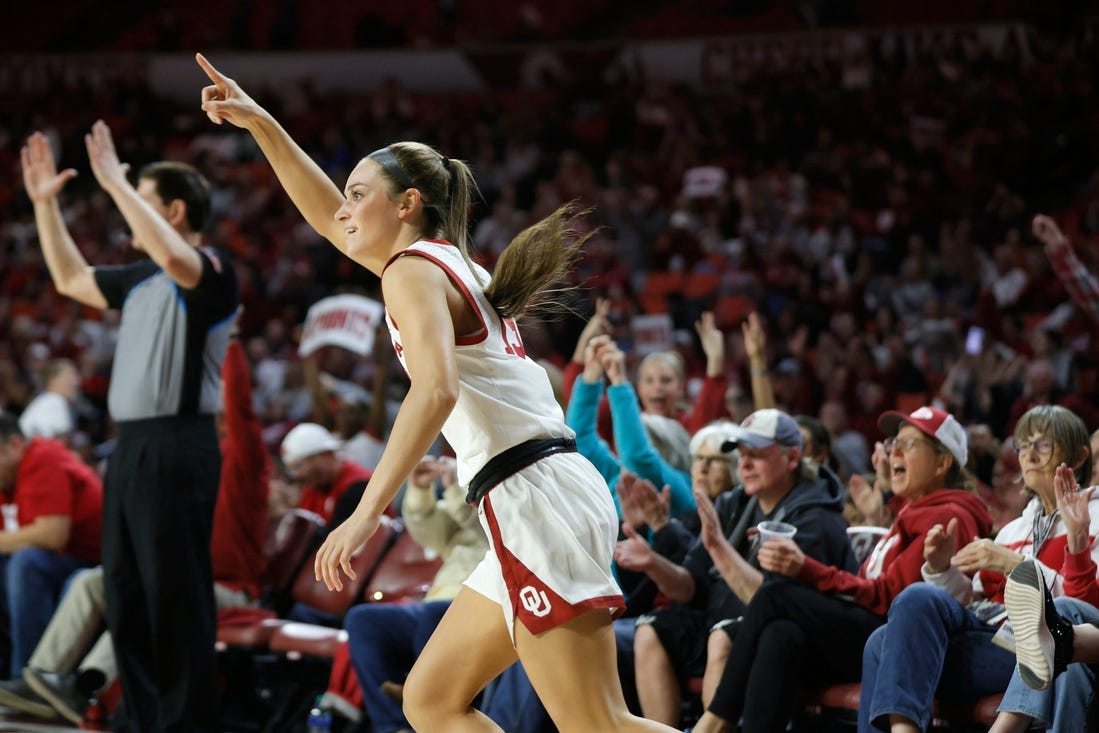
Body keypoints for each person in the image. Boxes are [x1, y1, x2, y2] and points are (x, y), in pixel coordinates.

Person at [197, 53, 678, 733]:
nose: (345, 205)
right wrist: (262, 124)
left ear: (407, 204)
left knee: (596, 725)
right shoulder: (444, 261)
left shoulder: (409, 272)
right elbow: (326, 217)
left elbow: (434, 390)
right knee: (430, 701)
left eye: (359, 192)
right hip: (537, 492)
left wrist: (366, 511)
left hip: (533, 497)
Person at [21, 122, 239, 731]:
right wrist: (45, 206)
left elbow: (175, 254)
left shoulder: (214, 269)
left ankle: (185, 724)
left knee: (173, 594)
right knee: (126, 593)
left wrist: (114, 178)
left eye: (138, 198)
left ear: (172, 209)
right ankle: (141, 722)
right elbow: (69, 279)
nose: (124, 209)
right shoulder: (141, 278)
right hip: (133, 446)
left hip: (178, 443)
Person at [0, 326, 270, 724]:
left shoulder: (243, 459)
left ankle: (85, 688)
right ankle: (42, 679)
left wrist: (227, 343)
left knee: (148, 596)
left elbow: (241, 409)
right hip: (185, 581)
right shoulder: (188, 465)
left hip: (231, 591)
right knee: (95, 581)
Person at [689, 406, 993, 733]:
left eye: (910, 444)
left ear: (943, 462)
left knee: (776, 594)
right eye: (894, 443)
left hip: (896, 642)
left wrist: (805, 568)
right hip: (872, 630)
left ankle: (716, 719)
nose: (895, 452)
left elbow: (889, 598)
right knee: (781, 636)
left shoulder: (947, 517)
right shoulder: (915, 512)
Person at [859, 405, 1098, 733]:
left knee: (885, 642)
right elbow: (974, 603)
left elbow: (1083, 611)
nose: (1028, 456)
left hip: (1046, 650)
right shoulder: (1014, 529)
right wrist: (942, 569)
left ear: (1080, 457)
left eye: (1042, 445)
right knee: (895, 623)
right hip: (996, 641)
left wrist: (1015, 564)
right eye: (1023, 446)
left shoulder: (1093, 518)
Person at [615, 410, 853, 726]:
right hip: (720, 621)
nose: (745, 465)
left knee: (723, 635)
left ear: (792, 457)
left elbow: (773, 603)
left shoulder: (816, 518)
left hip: (784, 639)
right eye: (741, 456)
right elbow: (690, 587)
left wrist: (719, 547)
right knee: (651, 630)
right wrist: (653, 563)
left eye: (756, 455)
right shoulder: (734, 503)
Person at [341, 454, 488, 733]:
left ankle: (428, 708)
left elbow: (482, 526)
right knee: (363, 619)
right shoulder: (458, 511)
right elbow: (426, 531)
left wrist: (459, 489)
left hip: (479, 609)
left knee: (435, 615)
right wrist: (420, 490)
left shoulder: (504, 505)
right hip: (436, 606)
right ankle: (393, 726)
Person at [0, 412, 102, 678]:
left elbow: (52, 535)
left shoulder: (43, 457)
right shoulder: (7, 476)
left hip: (93, 563)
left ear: (13, 446)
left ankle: (30, 679)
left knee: (26, 563)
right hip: (60, 561)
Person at [279, 422, 376, 523]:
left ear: (325, 454)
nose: (297, 475)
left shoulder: (358, 486)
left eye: (299, 466)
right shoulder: (316, 486)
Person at [18, 359, 80, 440]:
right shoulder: (55, 400)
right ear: (52, 381)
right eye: (69, 378)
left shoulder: (46, 401)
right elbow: (51, 443)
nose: (76, 382)